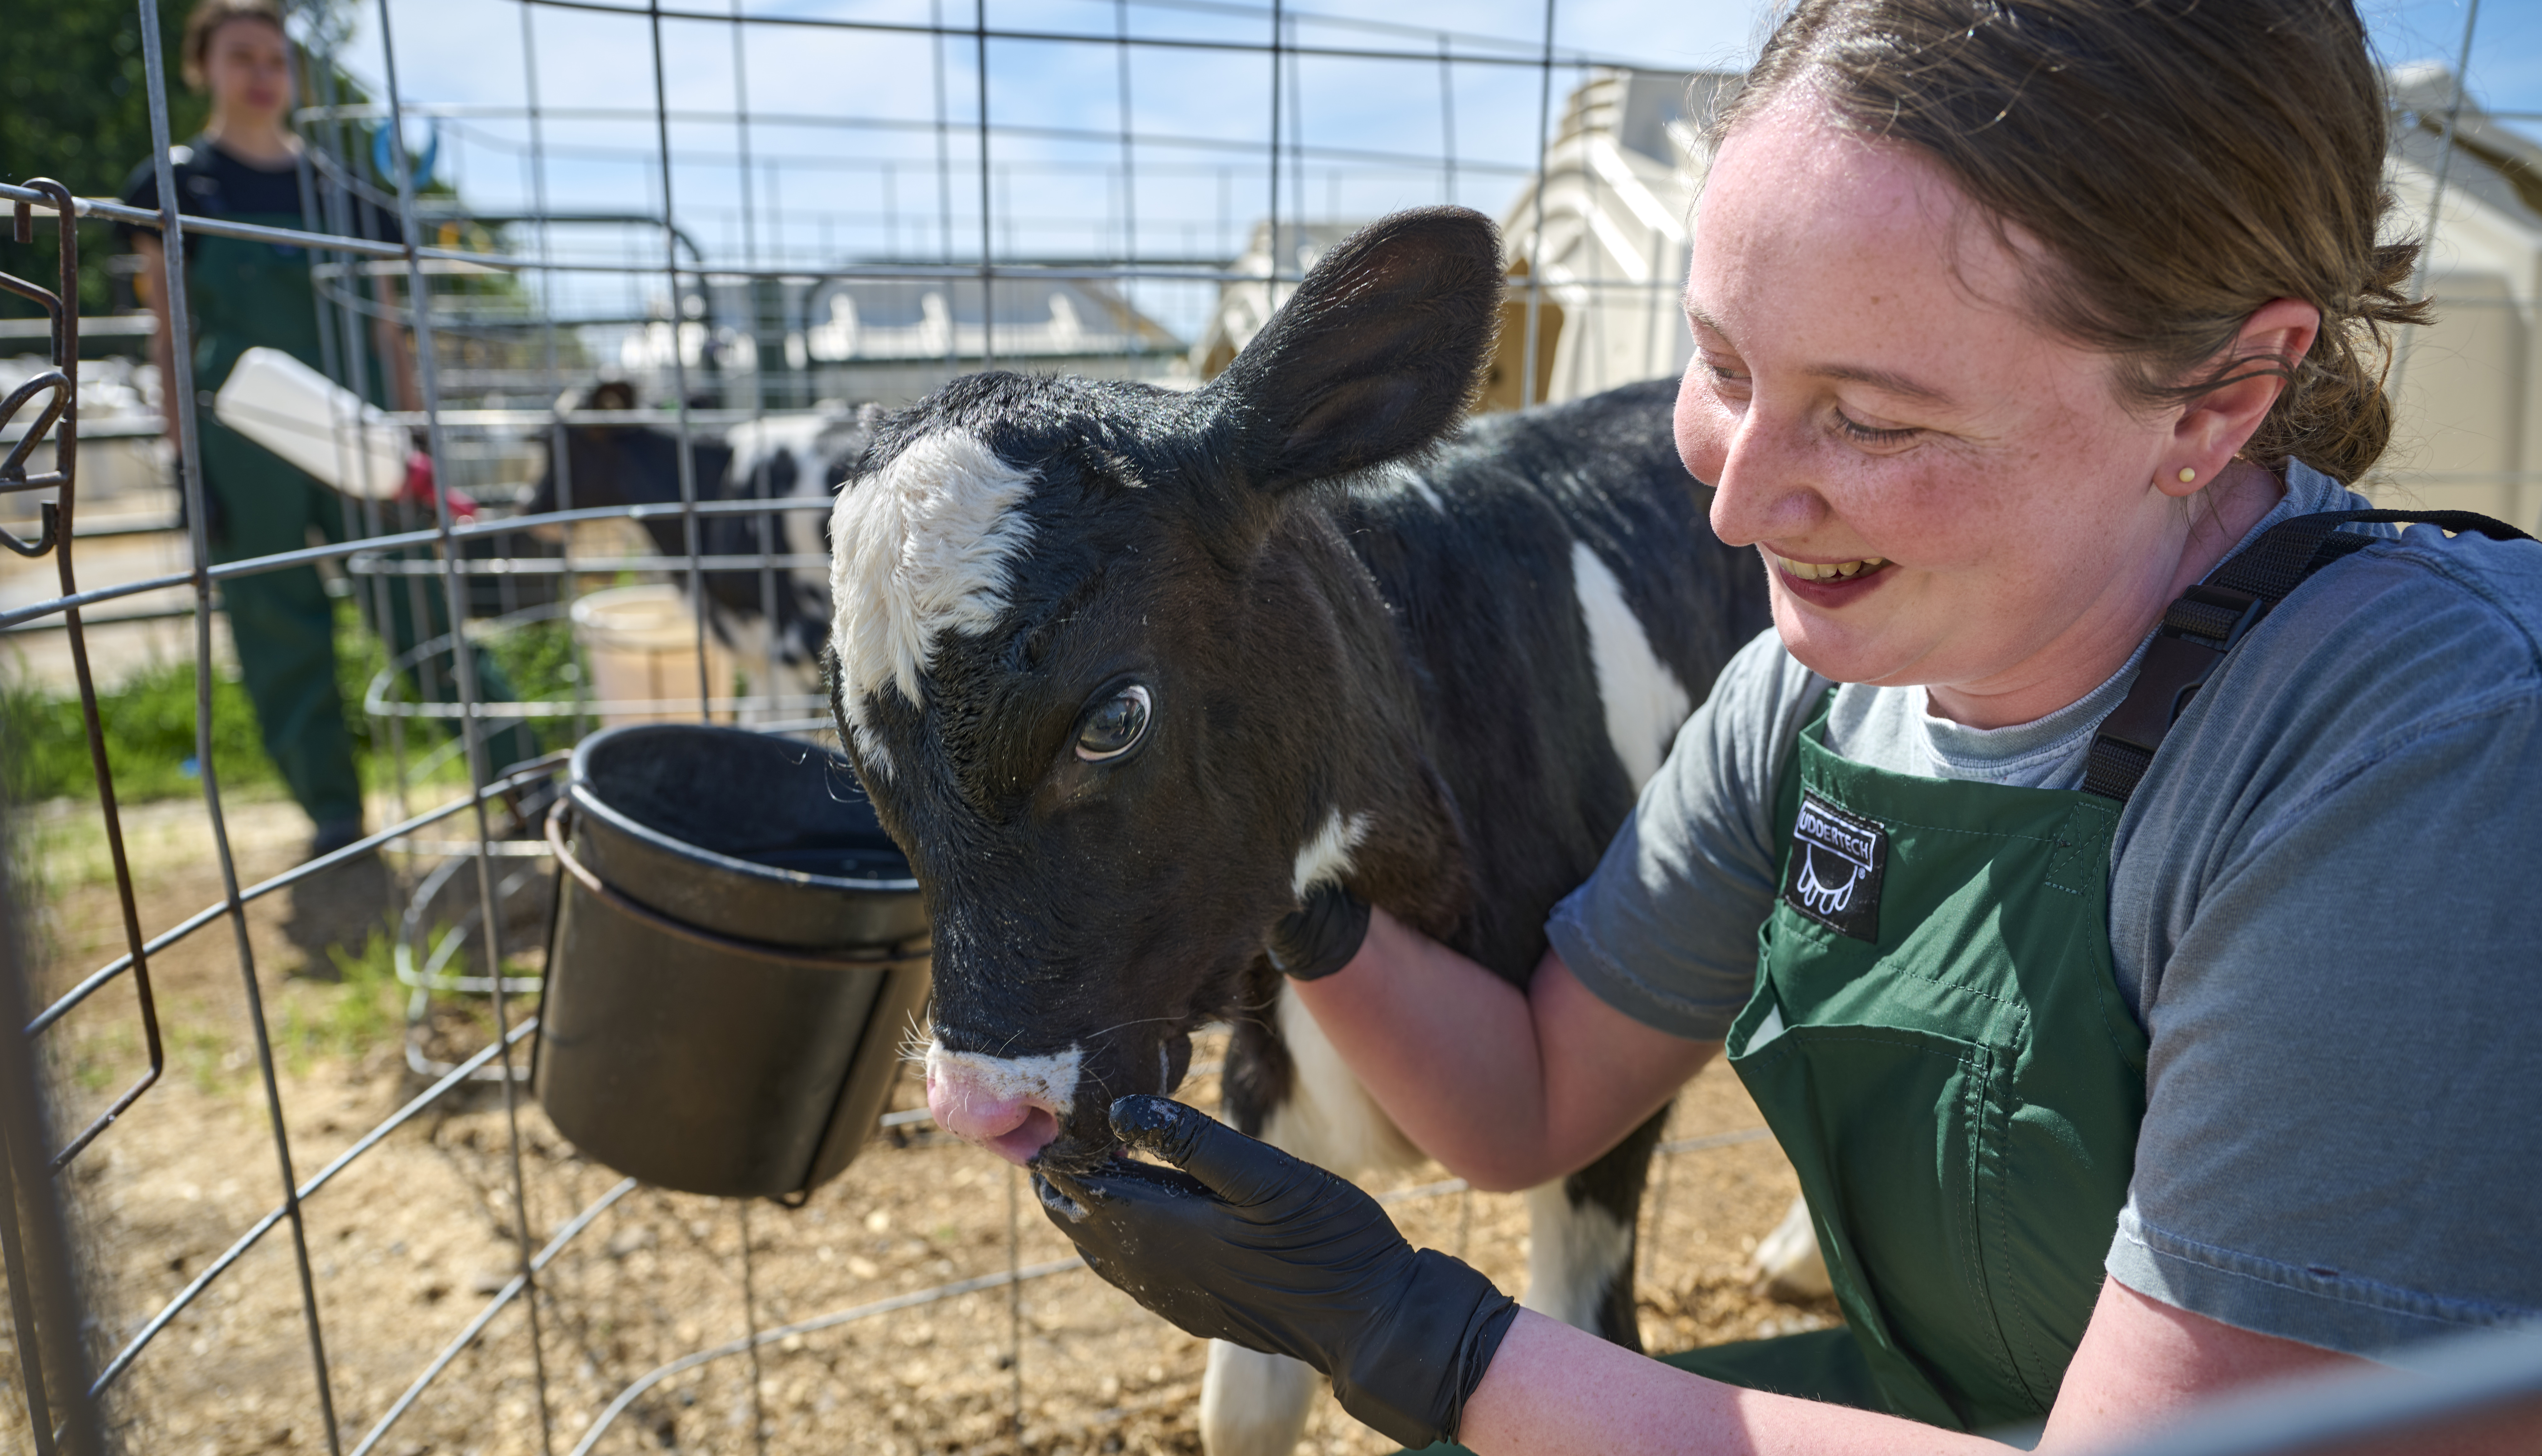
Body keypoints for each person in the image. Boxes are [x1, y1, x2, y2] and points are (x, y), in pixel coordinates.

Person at [1033, 1, 2542, 1451]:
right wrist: (1286, 871)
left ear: (2218, 400)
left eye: (1872, 418)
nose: (1736, 498)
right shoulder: (1820, 702)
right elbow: (1532, 1103)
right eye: (1725, 365)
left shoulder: (2410, 749)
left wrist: (1432, 1343)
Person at [125, 0, 533, 859]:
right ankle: (335, 818)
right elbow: (168, 336)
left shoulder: (346, 197)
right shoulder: (175, 188)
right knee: (278, 627)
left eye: (276, 58)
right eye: (242, 56)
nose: (262, 74)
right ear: (203, 68)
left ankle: (524, 783)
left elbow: (388, 335)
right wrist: (184, 458)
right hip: (242, 444)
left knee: (420, 609)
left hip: (361, 438)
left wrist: (414, 438)